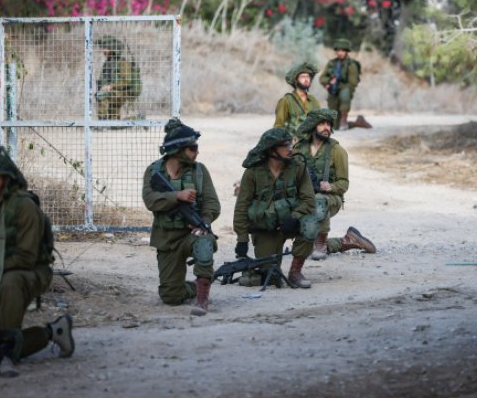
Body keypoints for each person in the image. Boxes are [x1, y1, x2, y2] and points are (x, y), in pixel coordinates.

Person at [0, 145, 74, 378]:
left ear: (6, 179)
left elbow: (26, 258)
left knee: (10, 282)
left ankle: (8, 355)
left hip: (32, 272)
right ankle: (55, 331)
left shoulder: (24, 207)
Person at [142, 118, 220, 315]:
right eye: (192, 148)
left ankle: (202, 299)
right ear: (178, 150)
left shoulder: (199, 171)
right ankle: (193, 287)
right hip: (167, 239)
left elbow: (212, 203)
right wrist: (177, 196)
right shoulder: (154, 171)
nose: (197, 152)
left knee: (204, 244)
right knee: (170, 297)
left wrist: (204, 223)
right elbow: (150, 200)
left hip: (192, 234)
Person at [233, 128, 316, 288]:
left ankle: (295, 272)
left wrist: (295, 217)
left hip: (291, 223)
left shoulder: (298, 167)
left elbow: (309, 201)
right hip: (266, 228)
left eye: (291, 144)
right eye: (285, 145)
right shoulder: (253, 172)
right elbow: (241, 207)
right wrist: (242, 239)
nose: (290, 149)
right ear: (271, 149)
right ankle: (251, 273)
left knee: (311, 224)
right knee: (270, 279)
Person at [292, 108, 376, 260]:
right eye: (322, 124)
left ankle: (321, 245)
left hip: (330, 199)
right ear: (312, 126)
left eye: (329, 124)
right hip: (304, 198)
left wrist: (331, 186)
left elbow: (344, 183)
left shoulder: (337, 151)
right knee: (301, 248)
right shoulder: (299, 149)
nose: (326, 128)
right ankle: (349, 240)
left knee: (319, 201)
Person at [319, 38, 371, 131]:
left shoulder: (352, 64)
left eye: (342, 50)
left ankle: (344, 120)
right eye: (338, 50)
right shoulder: (331, 63)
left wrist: (348, 92)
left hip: (345, 87)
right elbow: (322, 78)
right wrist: (328, 82)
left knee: (345, 93)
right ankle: (357, 122)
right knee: (335, 126)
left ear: (346, 51)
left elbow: (353, 82)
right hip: (333, 90)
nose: (340, 52)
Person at [95, 35, 141, 120]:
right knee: (114, 123)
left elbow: (127, 82)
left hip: (122, 93)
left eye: (106, 48)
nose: (104, 51)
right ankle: (135, 119)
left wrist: (111, 86)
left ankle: (101, 123)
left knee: (102, 95)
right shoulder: (107, 64)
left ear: (113, 49)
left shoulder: (123, 63)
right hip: (113, 93)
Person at [274, 62, 321, 138]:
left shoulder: (314, 101)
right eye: (302, 77)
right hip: (293, 143)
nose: (306, 79)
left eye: (308, 77)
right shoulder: (286, 101)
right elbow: (279, 126)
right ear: (295, 80)